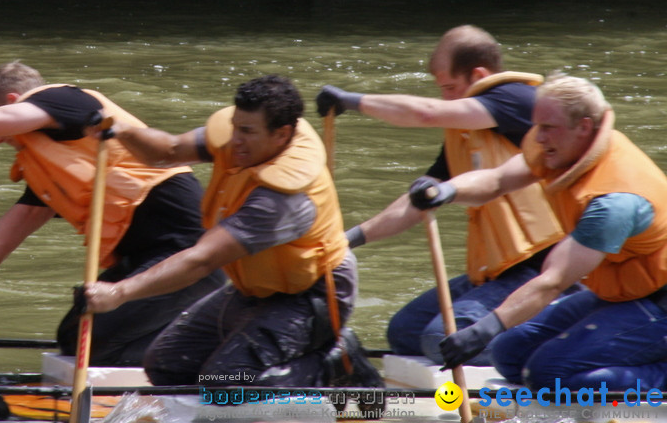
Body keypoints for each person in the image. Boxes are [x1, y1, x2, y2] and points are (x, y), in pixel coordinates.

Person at [0, 61, 225, 366]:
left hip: (191, 252)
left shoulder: (65, 101)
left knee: (95, 344)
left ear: (14, 101)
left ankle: (210, 369)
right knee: (73, 337)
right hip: (146, 257)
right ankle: (177, 359)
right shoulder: (51, 167)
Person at [83, 74, 380, 392]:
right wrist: (123, 131)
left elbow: (201, 261)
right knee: (166, 366)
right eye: (236, 126)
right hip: (256, 286)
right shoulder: (243, 141)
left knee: (224, 383)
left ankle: (335, 362)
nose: (234, 139)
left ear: (282, 135)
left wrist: (118, 293)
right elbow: (167, 151)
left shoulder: (280, 199)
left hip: (313, 295)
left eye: (247, 132)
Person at [314, 25, 565, 365]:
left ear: (478, 74)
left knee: (439, 339)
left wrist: (353, 101)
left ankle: (558, 335)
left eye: (450, 88)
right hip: (497, 270)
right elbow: (413, 206)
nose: (446, 98)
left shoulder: (516, 99)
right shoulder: (468, 135)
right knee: (404, 332)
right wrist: (345, 242)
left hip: (547, 273)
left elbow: (425, 113)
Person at [409, 74, 667, 389]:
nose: (538, 137)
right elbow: (496, 180)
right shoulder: (562, 148)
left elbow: (552, 281)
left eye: (548, 127)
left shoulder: (614, 204)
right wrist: (443, 190)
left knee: (548, 375)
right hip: (624, 290)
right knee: (508, 354)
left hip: (658, 302)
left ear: (584, 126)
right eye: (537, 125)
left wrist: (482, 329)